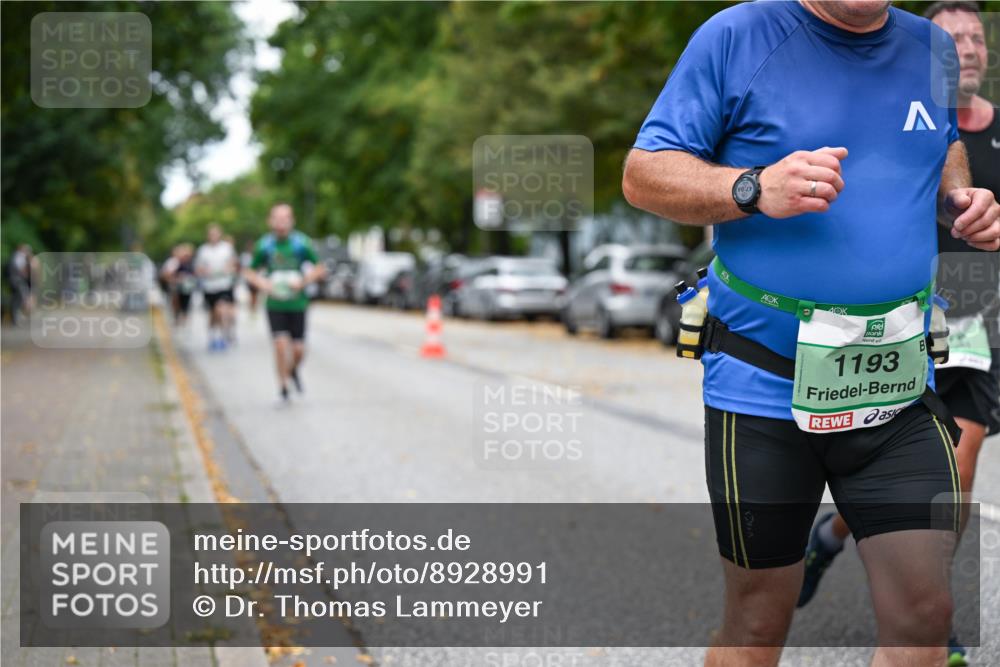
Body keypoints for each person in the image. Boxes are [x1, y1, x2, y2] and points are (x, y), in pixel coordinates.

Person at [621, 2, 1000, 666]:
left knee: (924, 615)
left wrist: (958, 201)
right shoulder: (737, 36)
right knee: (758, 620)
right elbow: (643, 174)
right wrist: (751, 186)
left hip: (898, 384)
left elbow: (940, 146)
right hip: (763, 386)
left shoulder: (932, 48)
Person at [796, 3, 1000, 665]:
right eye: (951, 39)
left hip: (973, 319)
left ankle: (926, 612)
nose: (965, 48)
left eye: (976, 37)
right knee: (892, 465)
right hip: (894, 316)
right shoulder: (892, 115)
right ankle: (832, 536)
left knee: (954, 467)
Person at [244, 204, 326, 402]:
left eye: (285, 219)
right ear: (270, 221)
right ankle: (282, 387)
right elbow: (249, 272)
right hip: (275, 304)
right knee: (280, 345)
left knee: (298, 350)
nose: (281, 223)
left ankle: (293, 370)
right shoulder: (265, 245)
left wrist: (303, 281)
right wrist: (263, 283)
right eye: (277, 219)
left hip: (297, 304)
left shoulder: (301, 243)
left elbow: (320, 268)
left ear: (292, 221)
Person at [195, 224, 238, 350]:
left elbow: (234, 263)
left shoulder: (227, 248)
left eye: (216, 233)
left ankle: (224, 335)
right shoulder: (203, 250)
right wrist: (205, 271)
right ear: (208, 236)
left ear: (220, 234)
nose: (213, 236)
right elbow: (198, 268)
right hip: (209, 286)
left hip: (224, 284)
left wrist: (228, 269)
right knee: (213, 314)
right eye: (211, 234)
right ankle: (213, 334)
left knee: (223, 309)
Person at [161, 244, 197, 327]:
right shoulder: (173, 262)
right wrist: (176, 279)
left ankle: (183, 323)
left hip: (186, 288)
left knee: (185, 307)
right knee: (177, 305)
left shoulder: (189, 263)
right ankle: (177, 320)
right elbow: (166, 275)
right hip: (176, 289)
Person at [6, 244, 33, 326]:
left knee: (17, 299)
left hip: (15, 281)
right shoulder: (19, 256)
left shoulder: (15, 256)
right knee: (19, 298)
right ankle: (16, 318)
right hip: (17, 281)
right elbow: (22, 270)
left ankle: (16, 317)